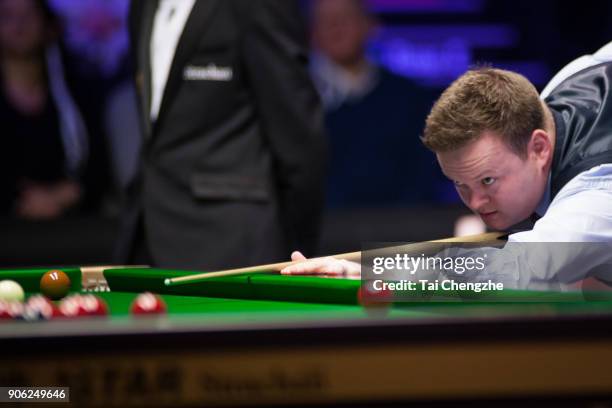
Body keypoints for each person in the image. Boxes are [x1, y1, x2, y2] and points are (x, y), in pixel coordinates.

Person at [282, 42, 612, 287]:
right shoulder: (575, 78)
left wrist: (367, 271)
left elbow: (518, 269)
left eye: (487, 181)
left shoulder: (594, 198)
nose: (475, 204)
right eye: (460, 184)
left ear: (539, 148)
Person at [118, 0, 327, 270]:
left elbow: (299, 133)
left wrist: (297, 246)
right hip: (144, 238)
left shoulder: (256, 6)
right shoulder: (142, 5)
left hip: (231, 243)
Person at [309, 0, 443, 208]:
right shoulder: (289, 102)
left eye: (345, 17)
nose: (335, 26)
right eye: (325, 20)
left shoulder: (409, 99)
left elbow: (422, 180)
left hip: (398, 231)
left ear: (370, 25)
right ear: (312, 32)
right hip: (313, 234)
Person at [0, 0, 108, 219]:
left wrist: (67, 194)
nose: (19, 25)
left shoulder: (77, 90)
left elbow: (100, 165)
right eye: (7, 16)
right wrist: (16, 199)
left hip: (72, 223)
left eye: (29, 14)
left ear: (46, 22)